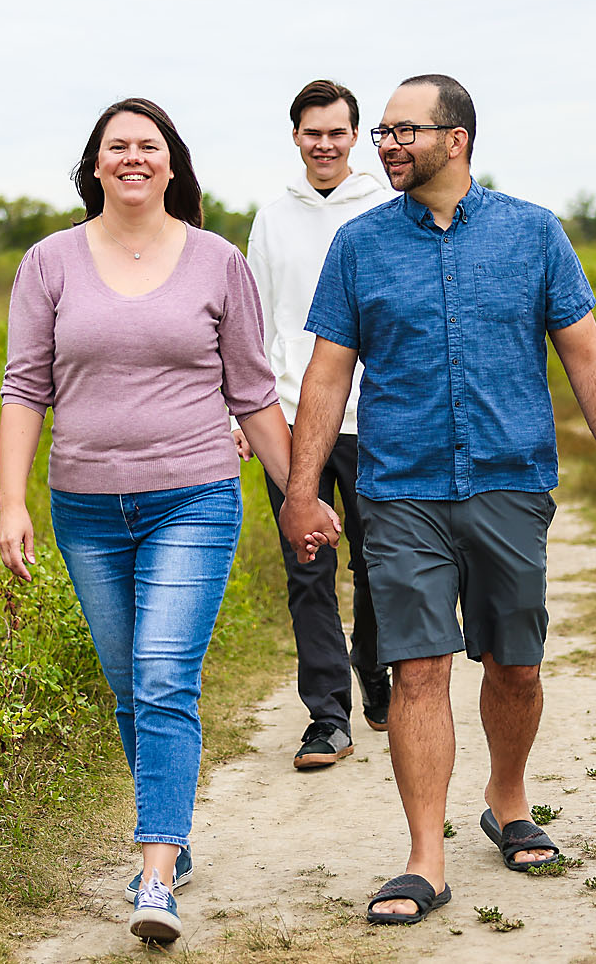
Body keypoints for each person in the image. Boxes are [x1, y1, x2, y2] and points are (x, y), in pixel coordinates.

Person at [278, 74, 596, 925]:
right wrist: (302, 491)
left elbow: (587, 353)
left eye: (403, 131)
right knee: (418, 666)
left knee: (515, 661)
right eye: (383, 133)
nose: (386, 145)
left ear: (457, 137)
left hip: (510, 481)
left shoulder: (533, 233)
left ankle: (509, 800)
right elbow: (328, 374)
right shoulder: (361, 245)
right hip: (401, 487)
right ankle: (424, 856)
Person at [0, 97, 336, 943]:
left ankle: (155, 871)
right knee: (127, 687)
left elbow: (253, 390)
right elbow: (24, 388)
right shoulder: (49, 262)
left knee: (160, 677)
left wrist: (300, 491)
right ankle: (170, 829)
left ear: (173, 164)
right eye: (118, 147)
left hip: (194, 494)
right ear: (97, 165)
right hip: (85, 506)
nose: (134, 158)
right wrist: (11, 502)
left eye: (149, 146)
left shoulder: (218, 261)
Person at [232, 79, 396, 770]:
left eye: (336, 132)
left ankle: (372, 660)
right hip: (293, 420)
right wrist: (243, 412)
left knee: (381, 565)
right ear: (295, 137)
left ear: (355, 136)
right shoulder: (272, 218)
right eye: (311, 132)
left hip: (377, 418)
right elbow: (255, 321)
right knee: (308, 568)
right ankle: (327, 716)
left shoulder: (388, 209)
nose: (324, 144)